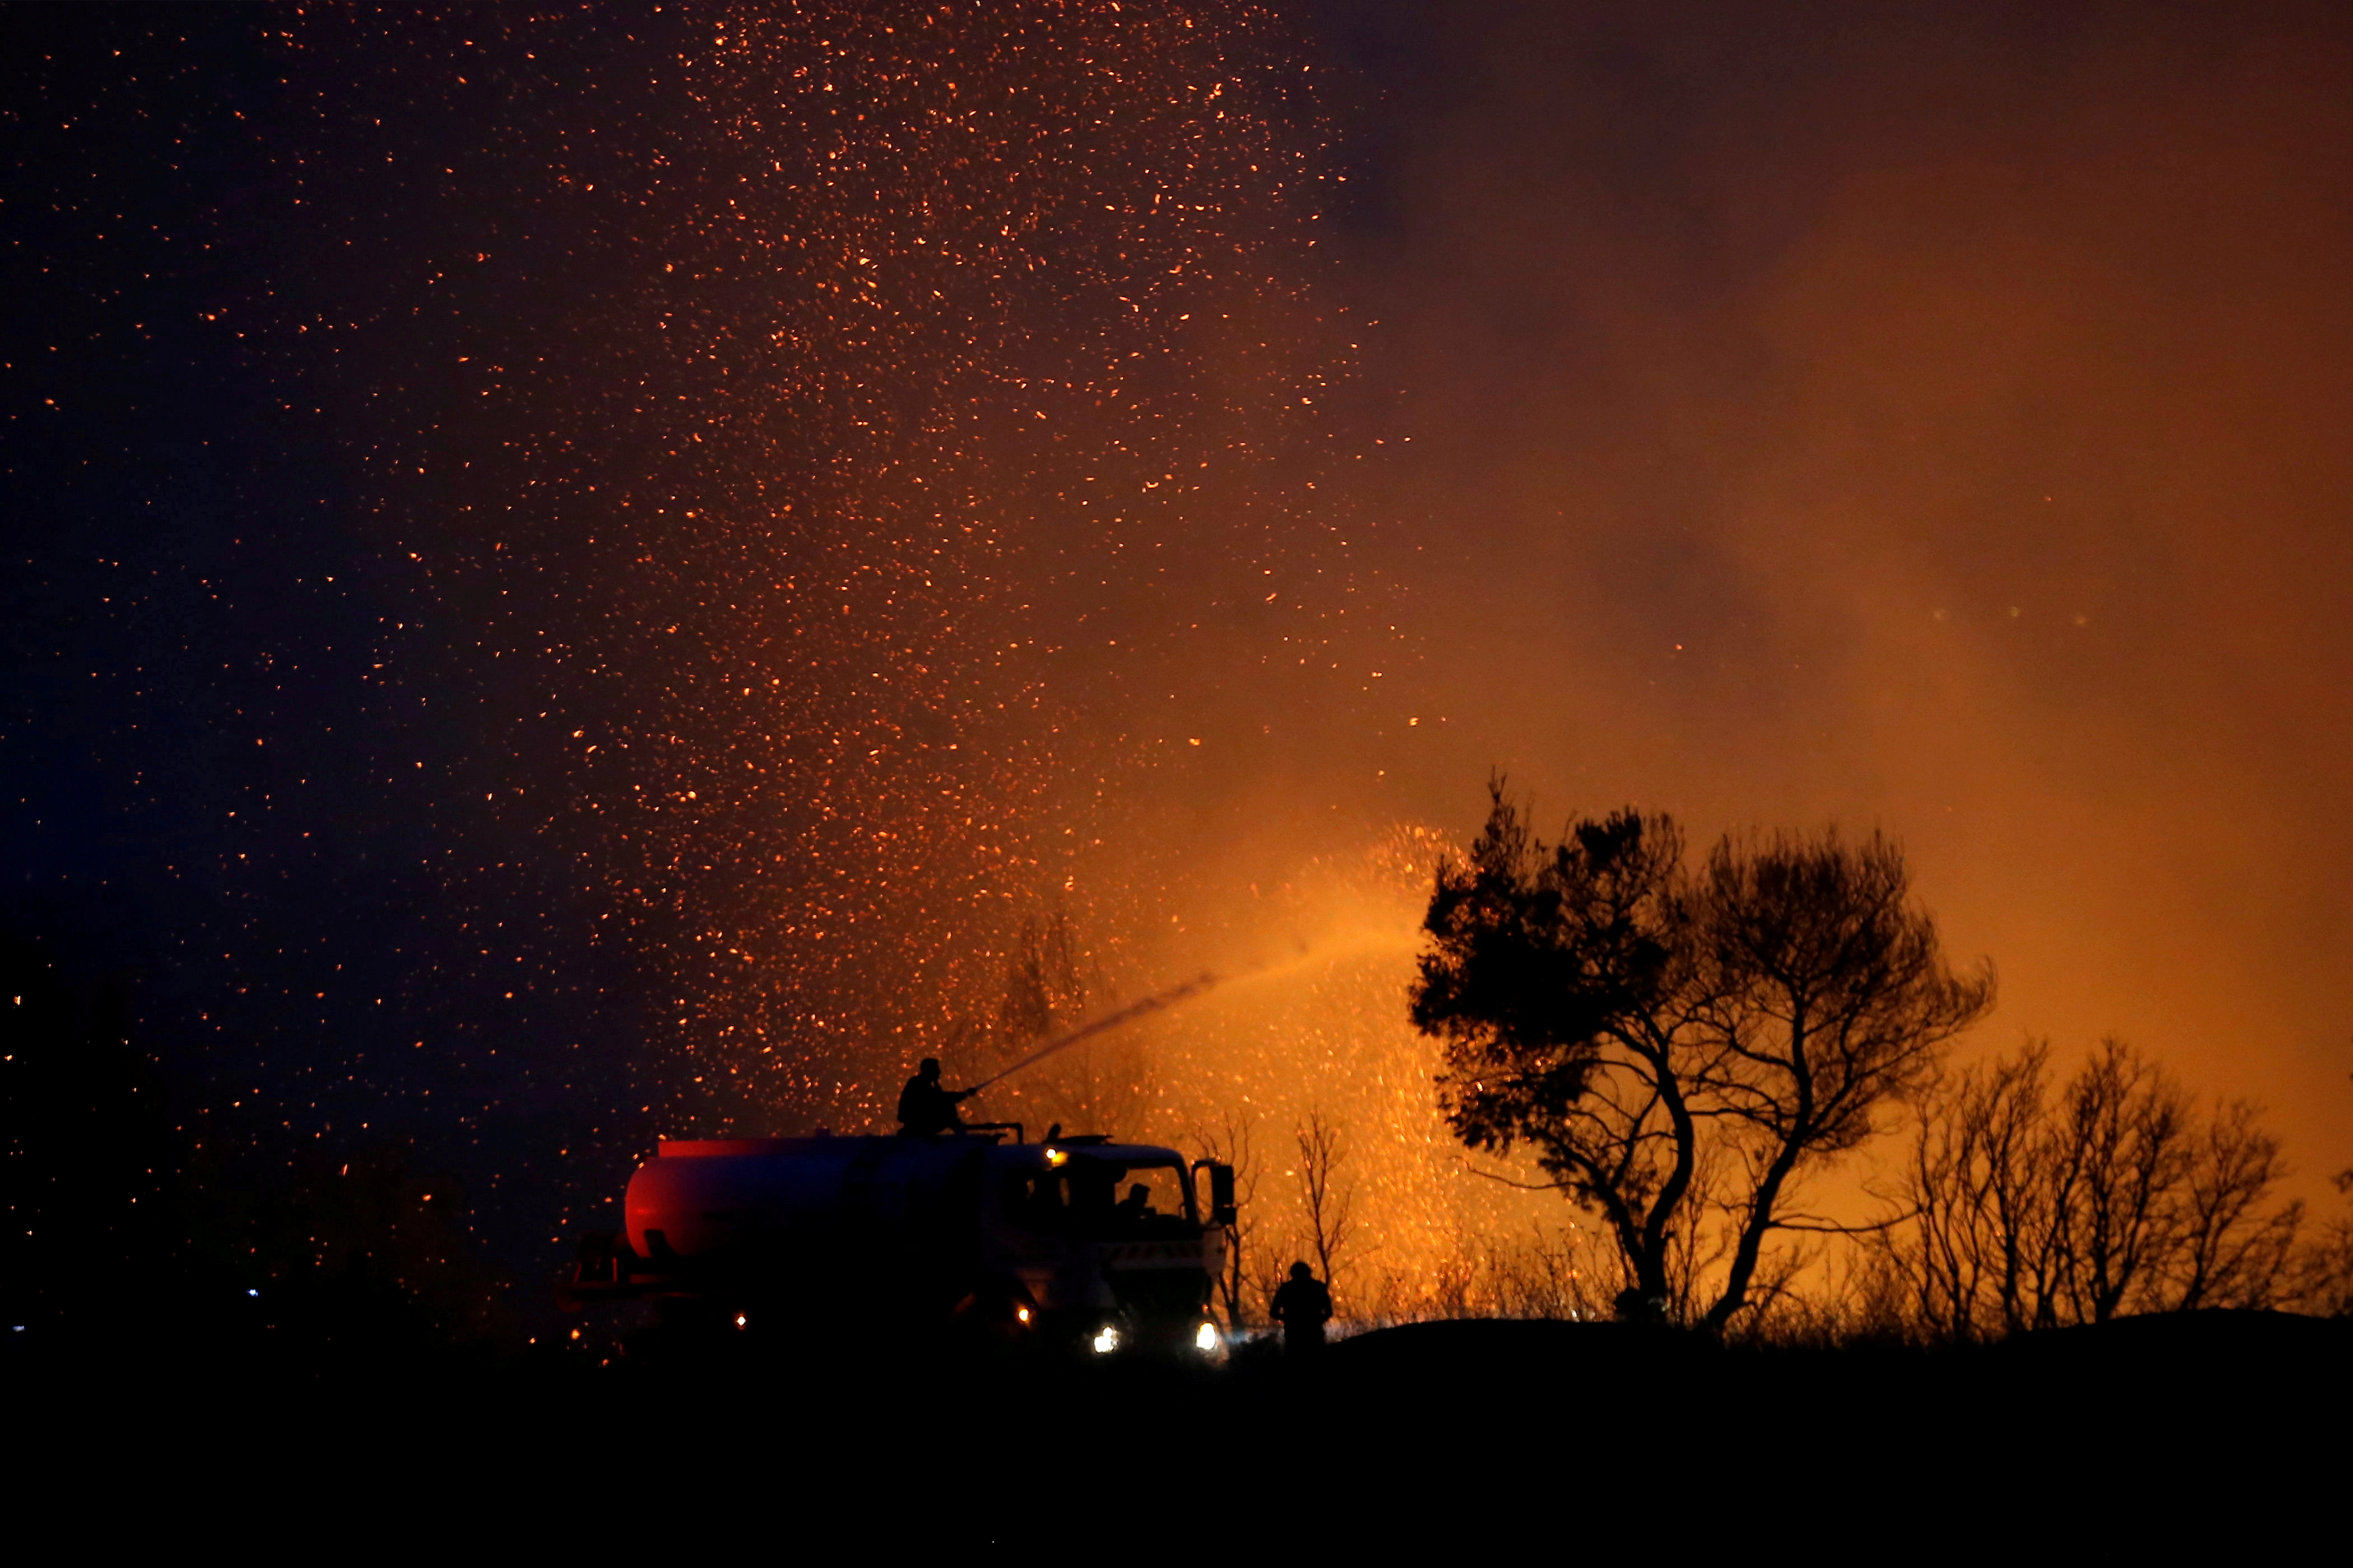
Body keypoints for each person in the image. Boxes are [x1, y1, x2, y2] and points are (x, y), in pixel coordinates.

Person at [895, 1057, 975, 1137]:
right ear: (929, 1070)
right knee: (948, 1107)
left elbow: (939, 1097)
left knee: (947, 1106)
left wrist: (964, 1094)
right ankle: (961, 1134)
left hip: (918, 1120)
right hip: (916, 1122)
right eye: (936, 1069)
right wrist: (964, 1095)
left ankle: (959, 1130)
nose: (939, 1071)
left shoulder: (924, 1083)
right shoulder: (918, 1083)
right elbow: (939, 1099)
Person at [1269, 1261, 1333, 1355]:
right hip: (1313, 1334)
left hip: (1294, 1335)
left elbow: (1273, 1313)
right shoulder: (1318, 1287)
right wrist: (1317, 1320)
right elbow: (1329, 1312)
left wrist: (1289, 1319)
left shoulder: (1286, 1289)